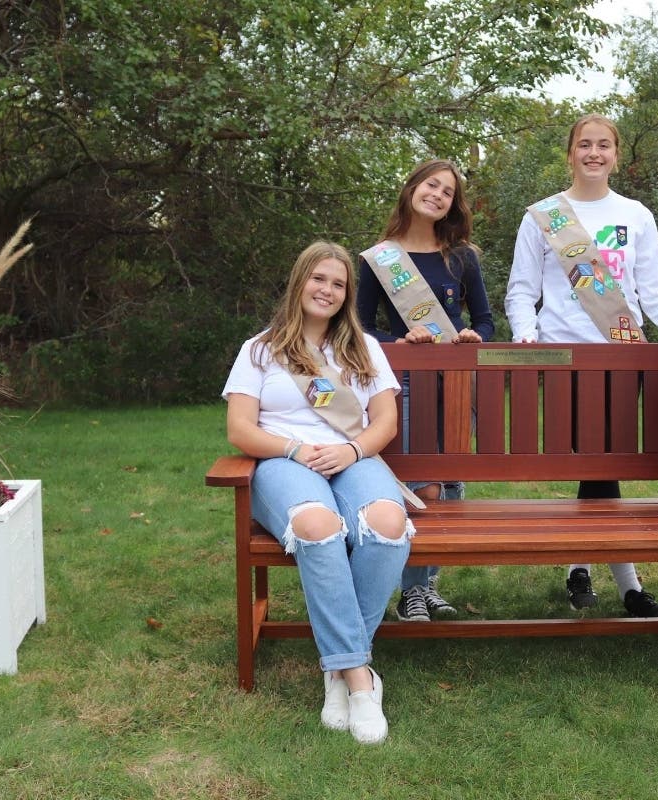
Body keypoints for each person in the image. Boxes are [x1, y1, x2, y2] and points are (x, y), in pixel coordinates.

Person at [222, 241, 415, 744]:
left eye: (338, 283)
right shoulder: (260, 349)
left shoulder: (363, 348)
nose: (326, 290)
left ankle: (339, 666)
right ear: (299, 281)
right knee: (318, 526)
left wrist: (351, 451)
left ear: (347, 294)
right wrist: (293, 450)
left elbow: (385, 422)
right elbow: (240, 430)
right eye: (318, 279)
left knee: (387, 525)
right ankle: (359, 677)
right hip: (285, 461)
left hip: (352, 457)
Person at [504, 113, 658, 617]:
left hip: (623, 352)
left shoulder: (636, 215)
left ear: (615, 154)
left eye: (603, 145)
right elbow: (522, 292)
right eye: (584, 144)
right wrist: (528, 338)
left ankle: (582, 569)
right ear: (570, 153)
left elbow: (655, 294)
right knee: (598, 462)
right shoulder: (543, 215)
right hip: (566, 358)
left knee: (601, 464)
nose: (593, 153)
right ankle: (628, 586)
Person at [357, 158, 495, 622]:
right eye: (430, 185)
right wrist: (398, 341)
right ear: (412, 187)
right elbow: (358, 328)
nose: (437, 195)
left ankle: (427, 585)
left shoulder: (462, 257)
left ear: (453, 204)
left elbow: (485, 321)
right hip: (409, 382)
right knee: (423, 486)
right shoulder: (379, 259)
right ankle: (412, 591)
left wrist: (475, 339)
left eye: (447, 192)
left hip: (459, 381)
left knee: (452, 484)